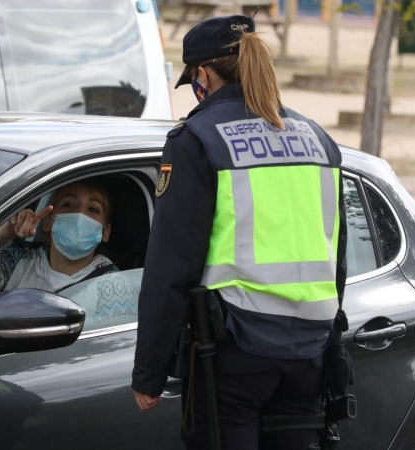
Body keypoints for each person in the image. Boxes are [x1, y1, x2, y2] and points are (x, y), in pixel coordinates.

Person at [131, 15, 348, 450]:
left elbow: (172, 264)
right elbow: (337, 255)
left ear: (203, 74)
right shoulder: (318, 139)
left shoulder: (197, 139)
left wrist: (150, 372)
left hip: (235, 352)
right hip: (310, 351)